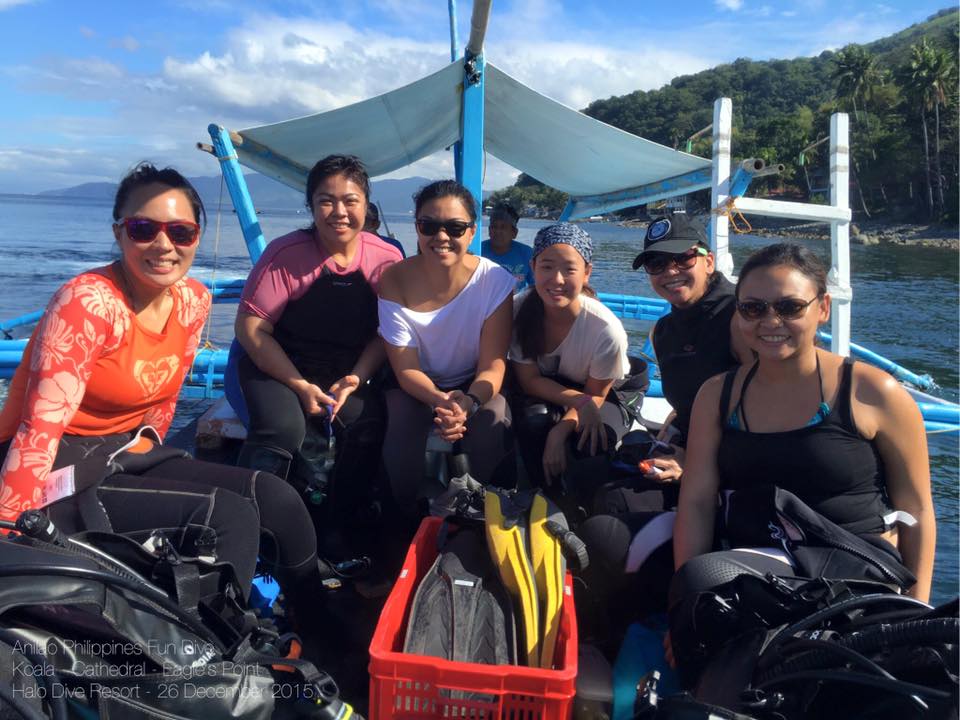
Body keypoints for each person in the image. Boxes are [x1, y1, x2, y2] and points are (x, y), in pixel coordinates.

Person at [0, 163, 322, 611]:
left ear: (196, 237)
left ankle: (317, 624)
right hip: (55, 463)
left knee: (276, 499)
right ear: (119, 233)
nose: (164, 245)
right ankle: (210, 643)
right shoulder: (89, 303)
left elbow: (163, 404)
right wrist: (9, 537)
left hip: (124, 452)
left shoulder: (193, 300)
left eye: (181, 232)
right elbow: (39, 430)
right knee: (226, 517)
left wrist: (157, 465)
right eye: (143, 229)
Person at [673, 242, 935, 603]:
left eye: (790, 307)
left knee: (707, 576)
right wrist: (685, 603)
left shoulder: (874, 392)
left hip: (852, 568)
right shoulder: (718, 395)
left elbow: (916, 509)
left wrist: (916, 608)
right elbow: (697, 502)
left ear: (822, 308)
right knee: (612, 536)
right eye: (753, 308)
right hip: (756, 559)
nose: (770, 321)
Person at [233, 155, 403, 530]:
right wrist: (298, 384)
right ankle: (250, 522)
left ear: (366, 205)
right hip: (278, 367)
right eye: (326, 201)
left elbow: (387, 331)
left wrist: (356, 377)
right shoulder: (285, 254)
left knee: (366, 424)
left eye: (350, 200)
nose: (339, 212)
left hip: (345, 372)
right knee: (281, 430)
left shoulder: (387, 258)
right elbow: (250, 328)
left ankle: (337, 526)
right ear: (311, 205)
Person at [378, 180, 515, 511]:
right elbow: (405, 369)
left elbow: (493, 364)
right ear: (417, 228)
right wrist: (441, 400)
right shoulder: (393, 280)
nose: (441, 237)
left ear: (471, 232)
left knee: (494, 417)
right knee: (401, 417)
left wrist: (468, 402)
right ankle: (403, 515)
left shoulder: (494, 281)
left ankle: (484, 512)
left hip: (472, 383)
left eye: (454, 228)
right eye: (429, 226)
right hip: (415, 384)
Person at [509, 222, 631, 489]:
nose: (557, 279)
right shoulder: (518, 311)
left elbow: (596, 394)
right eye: (547, 267)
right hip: (553, 390)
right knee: (533, 421)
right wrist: (580, 402)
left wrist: (561, 431)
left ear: (587, 273)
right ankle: (536, 495)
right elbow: (529, 380)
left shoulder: (605, 329)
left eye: (569, 269)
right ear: (533, 267)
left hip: (600, 392)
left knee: (593, 443)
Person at [481, 203, 534, 292]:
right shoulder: (479, 251)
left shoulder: (527, 253)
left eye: (503, 227)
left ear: (514, 233)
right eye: (494, 227)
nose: (498, 231)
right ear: (489, 230)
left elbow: (536, 286)